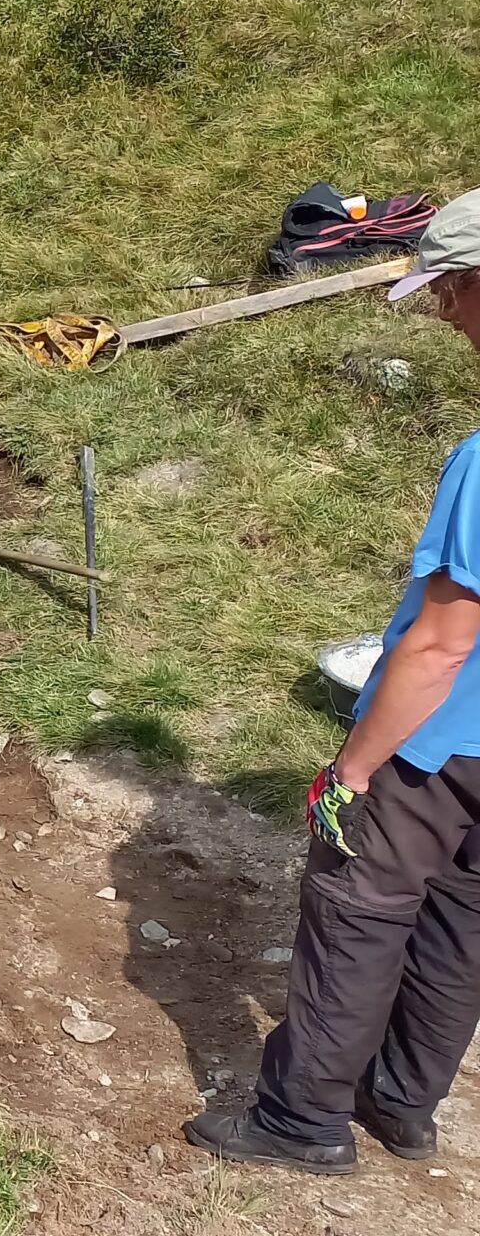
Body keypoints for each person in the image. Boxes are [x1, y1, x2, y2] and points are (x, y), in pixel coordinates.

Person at [186, 188, 480, 1176]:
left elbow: (440, 647)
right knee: (461, 923)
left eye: (452, 291)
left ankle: (298, 1120)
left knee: (358, 906)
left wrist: (353, 768)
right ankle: (402, 1103)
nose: (444, 314)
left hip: (441, 740)